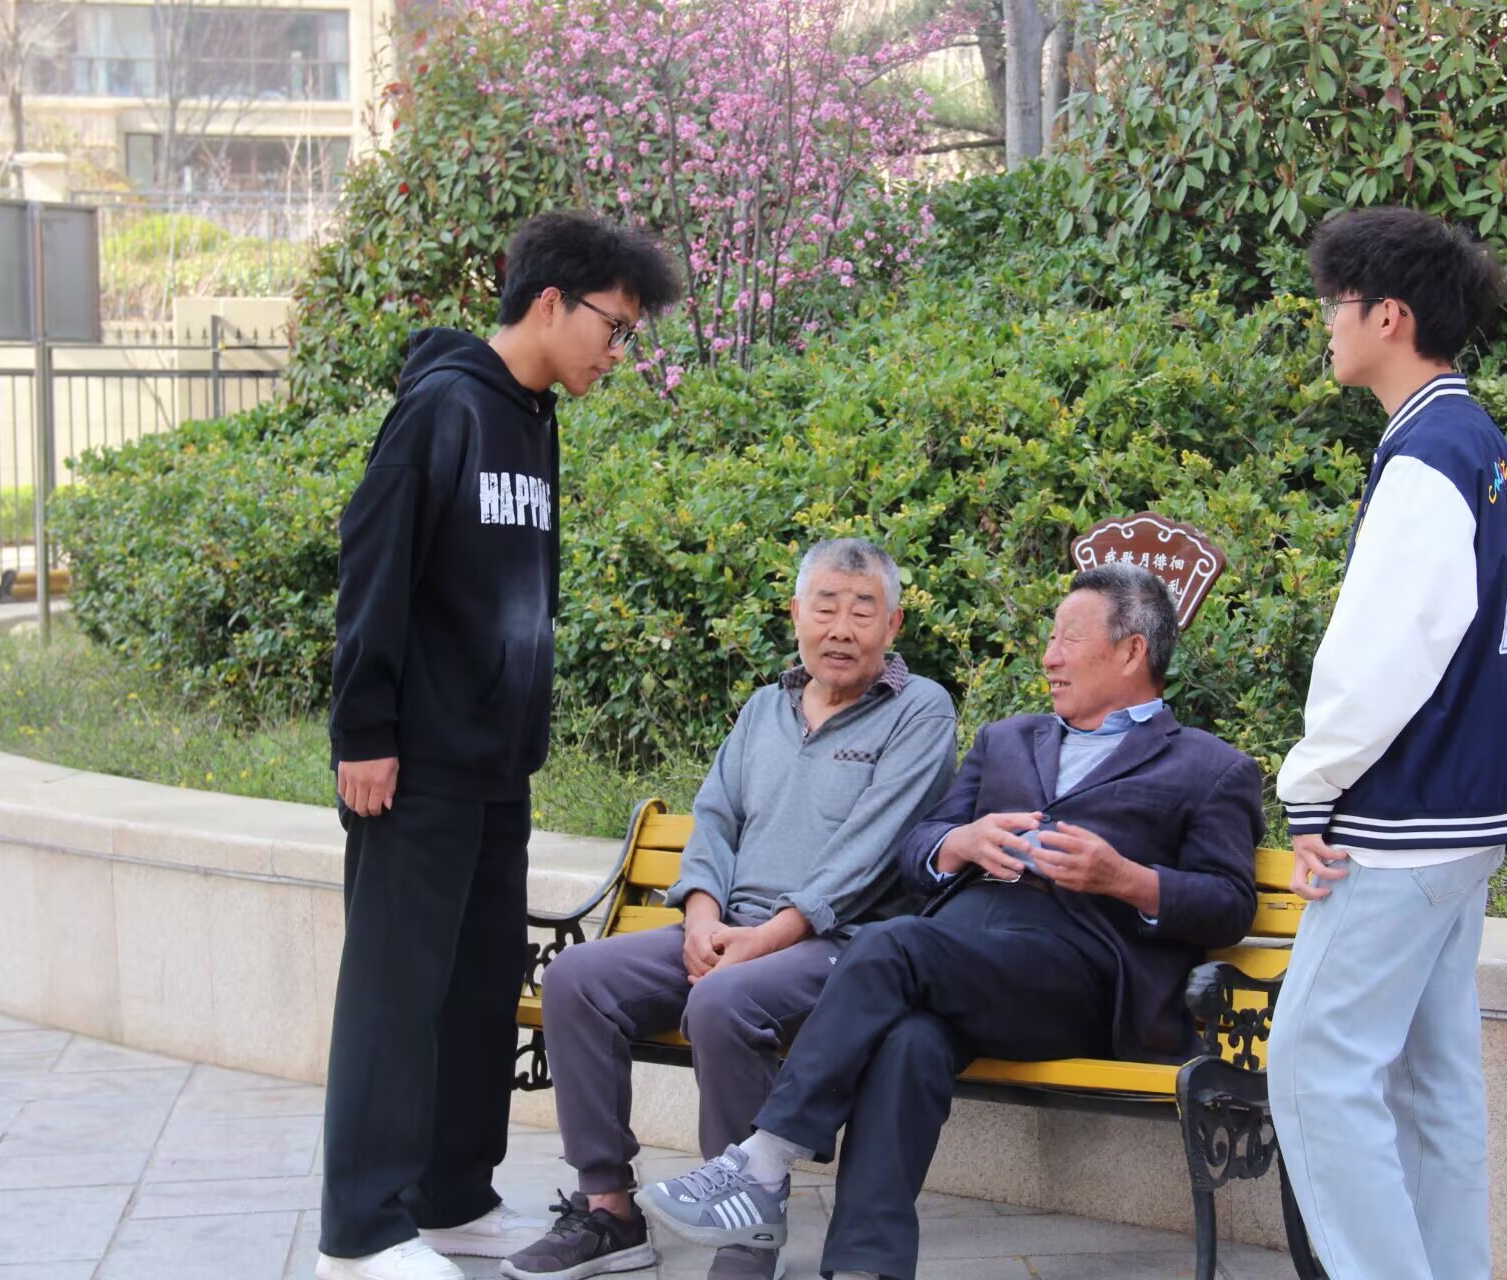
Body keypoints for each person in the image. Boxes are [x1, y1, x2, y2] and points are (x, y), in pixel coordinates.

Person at [639, 563, 1263, 1280]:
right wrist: (960, 843)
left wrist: (1126, 878)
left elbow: (1228, 903)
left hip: (1077, 978)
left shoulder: (1210, 768)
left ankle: (764, 1161)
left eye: (1068, 639)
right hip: (961, 959)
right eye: (1051, 638)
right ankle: (866, 1267)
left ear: (1132, 652)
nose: (1049, 657)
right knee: (910, 1041)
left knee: (891, 943)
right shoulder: (1008, 740)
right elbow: (918, 847)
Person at [319, 212, 680, 1280]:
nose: (618, 351)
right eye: (614, 326)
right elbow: (373, 565)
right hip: (415, 764)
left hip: (494, 767)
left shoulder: (532, 418)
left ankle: (451, 1198)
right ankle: (360, 1232)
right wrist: (365, 729)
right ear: (551, 302)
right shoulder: (443, 408)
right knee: (395, 996)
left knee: (478, 989)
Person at [502, 538, 958, 1280]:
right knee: (577, 979)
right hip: (731, 929)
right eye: (826, 608)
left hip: (846, 943)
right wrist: (704, 917)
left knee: (722, 1000)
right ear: (796, 614)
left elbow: (873, 849)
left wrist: (766, 938)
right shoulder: (765, 707)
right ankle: (609, 1211)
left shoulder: (920, 711)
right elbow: (714, 820)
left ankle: (747, 1230)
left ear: (893, 624)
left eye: (862, 610)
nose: (841, 629)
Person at [1268, 205, 1507, 1280]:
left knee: (1314, 1067)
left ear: (1390, 315)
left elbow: (1385, 650)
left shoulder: (1428, 453)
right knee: (1433, 1083)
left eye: (1335, 304)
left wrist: (1311, 786)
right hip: (1467, 815)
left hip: (1406, 816)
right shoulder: (1480, 446)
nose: (1326, 324)